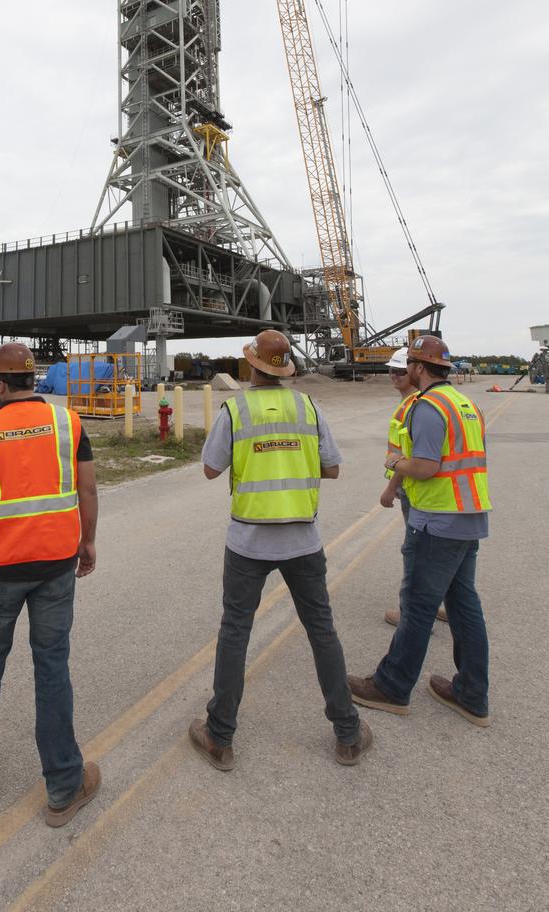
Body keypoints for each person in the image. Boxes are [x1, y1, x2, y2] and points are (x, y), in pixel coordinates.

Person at [189, 330, 372, 769]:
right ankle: (347, 733)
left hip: (249, 540)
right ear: (285, 368)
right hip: (302, 540)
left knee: (235, 631)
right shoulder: (308, 406)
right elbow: (332, 469)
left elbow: (212, 469)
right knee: (321, 630)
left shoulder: (235, 409)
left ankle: (219, 737)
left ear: (252, 365)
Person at [0, 342, 100, 823]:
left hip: (0, 570)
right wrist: (87, 543)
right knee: (52, 668)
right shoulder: (67, 423)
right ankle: (63, 788)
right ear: (34, 382)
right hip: (55, 566)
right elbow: (87, 487)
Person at [349, 335, 491, 726]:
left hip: (437, 519)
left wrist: (396, 463)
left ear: (418, 367)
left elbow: (427, 466)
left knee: (416, 605)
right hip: (469, 515)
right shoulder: (466, 404)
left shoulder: (427, 407)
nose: (404, 371)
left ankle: (392, 686)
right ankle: (472, 693)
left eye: (407, 364)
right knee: (464, 606)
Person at [380, 348, 448, 628]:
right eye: (391, 371)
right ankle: (436, 604)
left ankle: (414, 613)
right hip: (421, 488)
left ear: (414, 371)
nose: (395, 376)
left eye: (400, 371)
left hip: (414, 488)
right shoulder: (417, 402)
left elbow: (409, 458)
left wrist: (391, 487)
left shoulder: (414, 406)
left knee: (415, 552)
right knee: (434, 555)